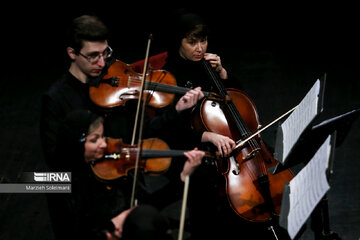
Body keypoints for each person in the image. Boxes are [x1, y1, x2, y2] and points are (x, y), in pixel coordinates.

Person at [39, 14, 205, 239]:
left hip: (126, 185)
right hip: (85, 201)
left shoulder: (117, 85)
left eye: (105, 53)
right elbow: (55, 158)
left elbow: (145, 131)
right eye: (93, 56)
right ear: (72, 53)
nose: (102, 63)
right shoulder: (56, 99)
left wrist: (176, 111)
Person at [160, 9, 290, 240]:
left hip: (232, 140)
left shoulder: (208, 66)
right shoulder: (168, 76)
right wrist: (207, 137)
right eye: (192, 42)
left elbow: (238, 100)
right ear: (178, 41)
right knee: (210, 186)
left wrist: (222, 74)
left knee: (269, 155)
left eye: (203, 40)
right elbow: (168, 129)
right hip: (193, 147)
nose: (200, 48)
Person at [48, 109, 204, 239]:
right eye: (94, 140)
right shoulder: (55, 179)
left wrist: (183, 176)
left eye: (102, 136)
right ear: (76, 143)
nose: (104, 144)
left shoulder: (111, 169)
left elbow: (145, 204)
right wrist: (112, 224)